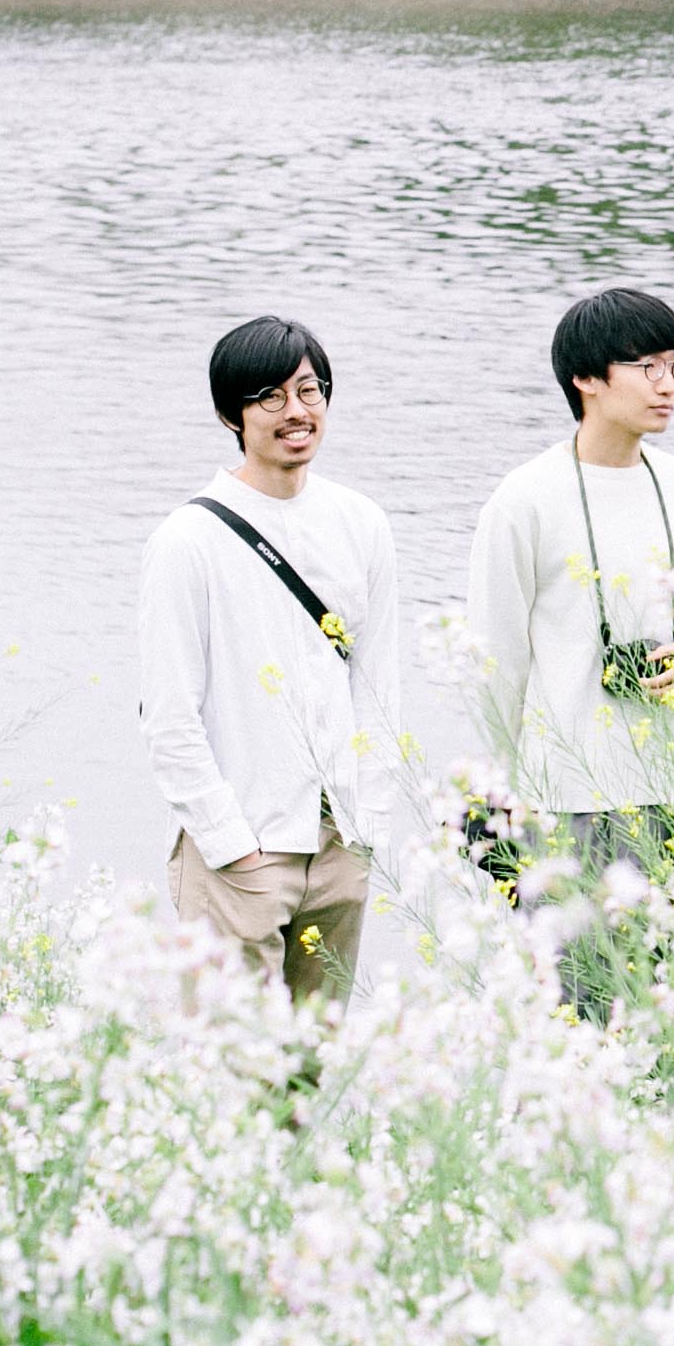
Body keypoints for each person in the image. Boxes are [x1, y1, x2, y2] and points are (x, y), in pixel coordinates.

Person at [136, 315, 409, 1008]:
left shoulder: (361, 522)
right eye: (270, 397)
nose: (296, 411)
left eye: (309, 391)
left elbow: (378, 692)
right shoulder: (186, 541)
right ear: (231, 414)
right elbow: (168, 717)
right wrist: (232, 846)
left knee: (317, 1058)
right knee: (231, 1059)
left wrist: (367, 831)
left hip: (339, 845)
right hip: (241, 851)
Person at [464, 287, 674, 911]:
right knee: (573, 973)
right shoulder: (524, 499)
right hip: (567, 796)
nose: (668, 385)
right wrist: (499, 799)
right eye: (648, 367)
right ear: (586, 378)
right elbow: (495, 665)